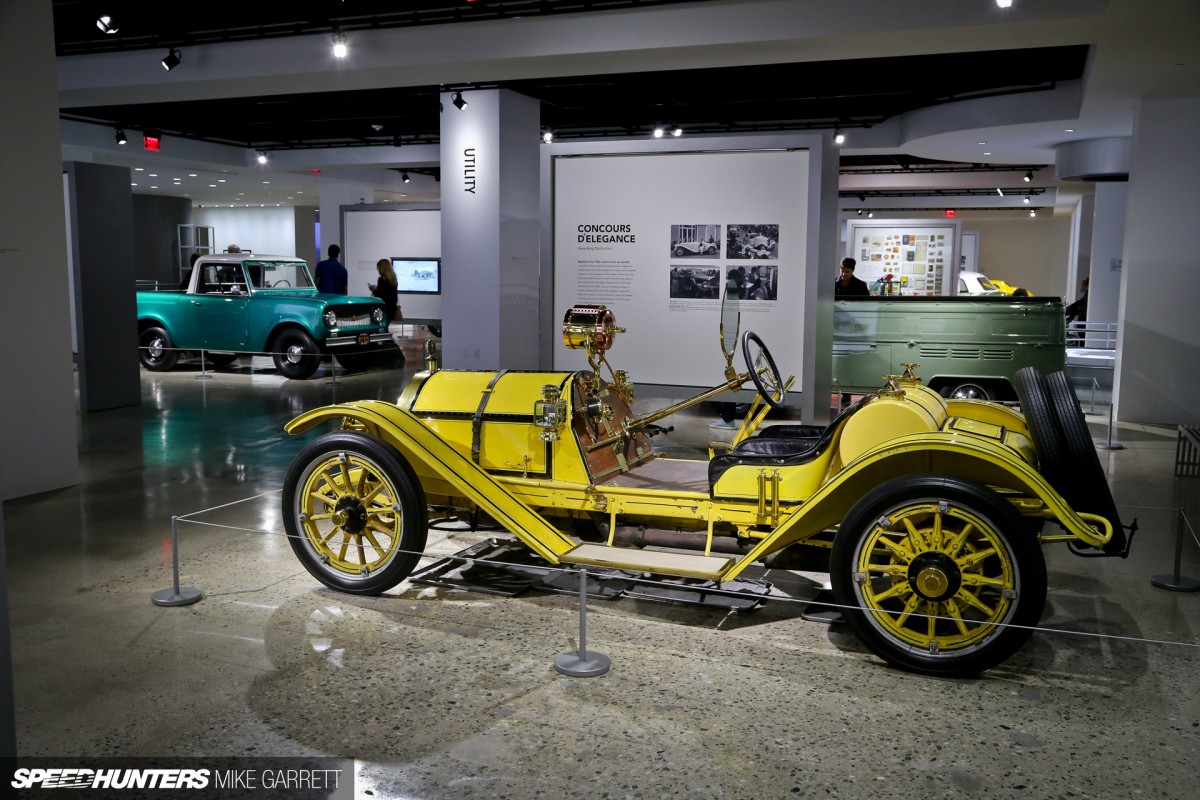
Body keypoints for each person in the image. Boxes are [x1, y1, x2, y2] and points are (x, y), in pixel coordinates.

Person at [369, 258, 399, 324]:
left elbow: (380, 295)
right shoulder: (394, 278)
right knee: (386, 325)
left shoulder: (381, 279)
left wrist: (373, 290)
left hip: (384, 308)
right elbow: (389, 292)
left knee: (381, 326)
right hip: (392, 307)